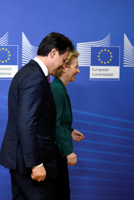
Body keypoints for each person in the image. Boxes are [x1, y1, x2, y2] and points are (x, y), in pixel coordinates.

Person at [0, 32, 74, 200]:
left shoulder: (28, 72)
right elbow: (27, 123)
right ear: (53, 53)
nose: (63, 66)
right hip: (30, 164)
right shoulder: (34, 77)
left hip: (20, 161)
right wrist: (36, 164)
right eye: (63, 60)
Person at [50, 50, 85, 200]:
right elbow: (53, 123)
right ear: (64, 67)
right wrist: (68, 151)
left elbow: (58, 121)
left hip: (58, 152)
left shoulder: (60, 89)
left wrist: (69, 130)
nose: (78, 70)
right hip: (55, 154)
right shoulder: (57, 90)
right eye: (76, 66)